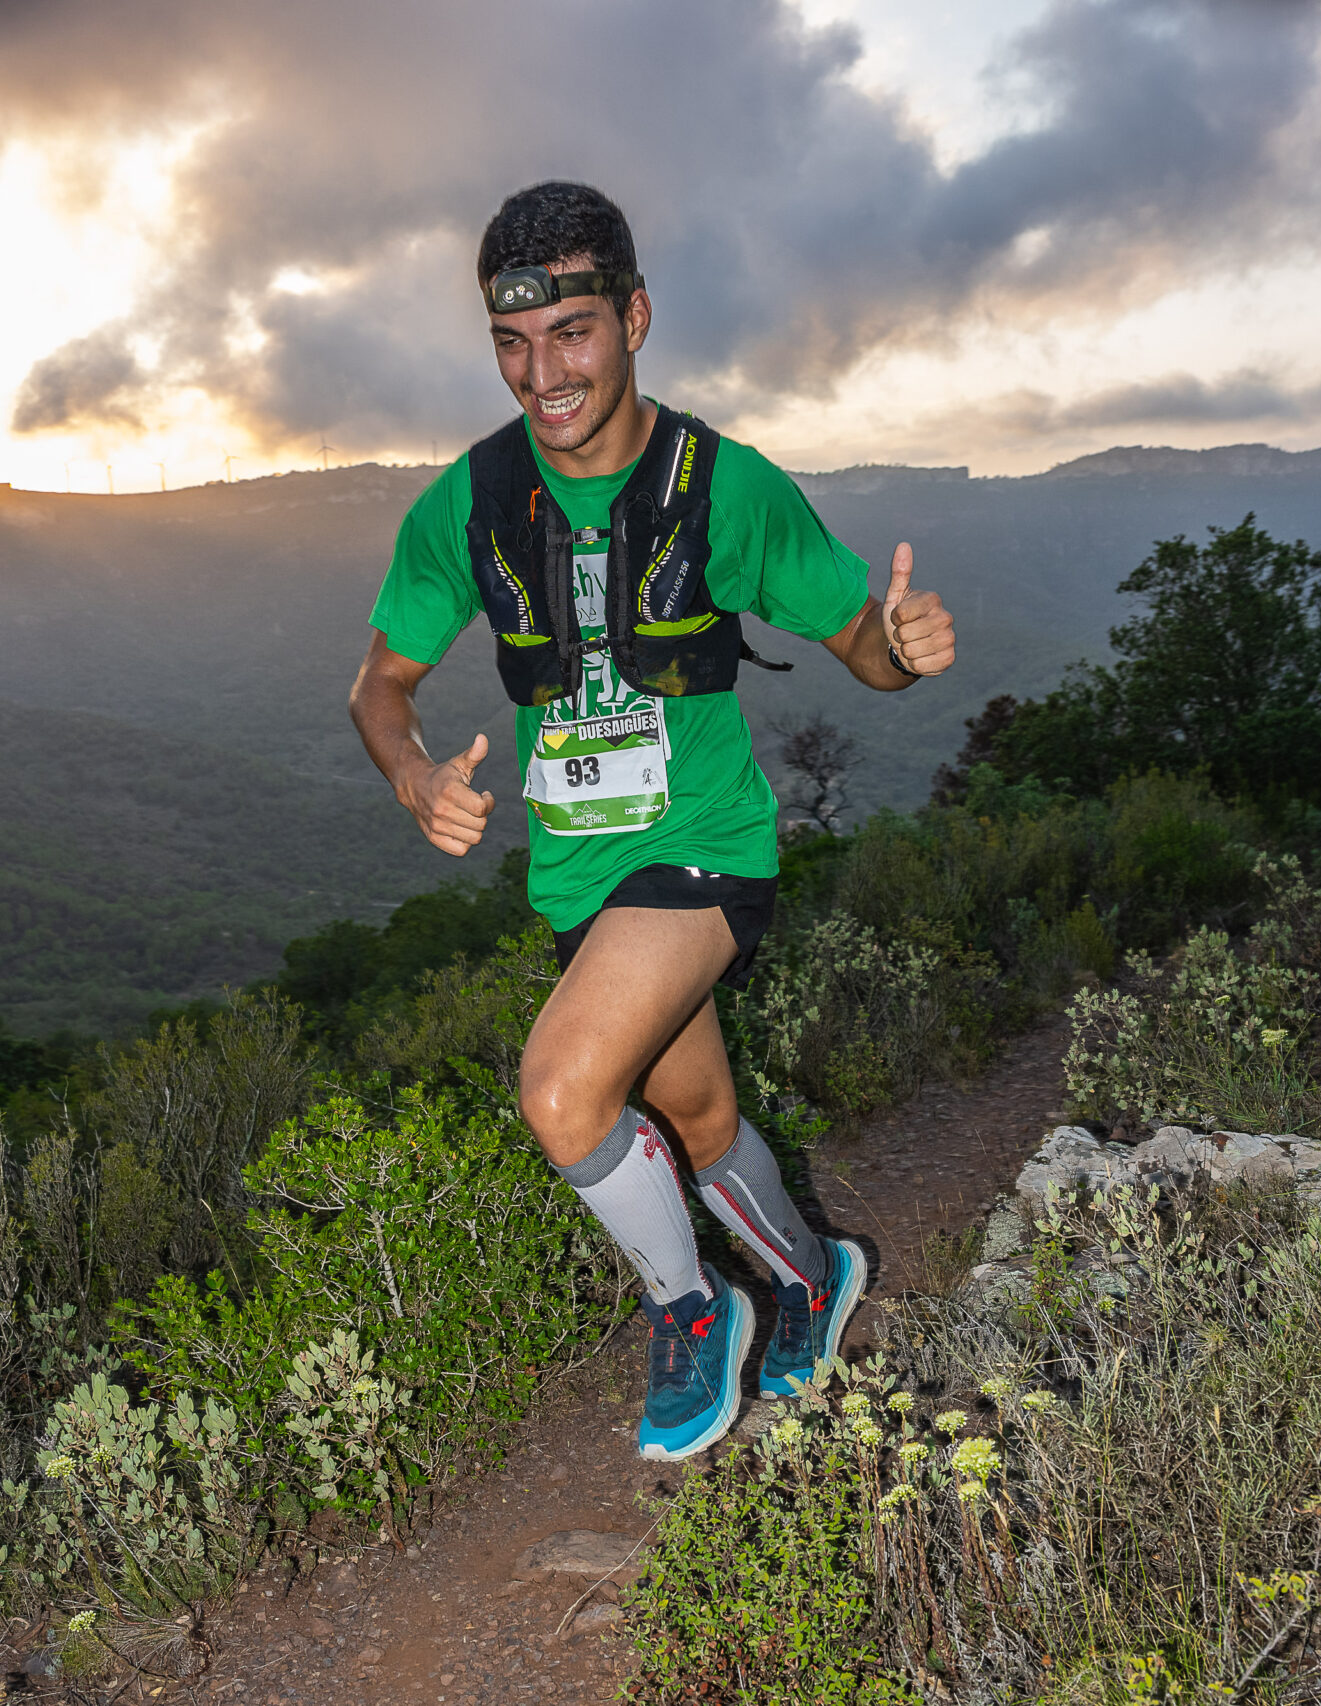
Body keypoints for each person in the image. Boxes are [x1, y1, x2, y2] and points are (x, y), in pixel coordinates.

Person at [348, 181, 958, 1460]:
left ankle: (690, 1310)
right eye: (512, 342)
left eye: (571, 331)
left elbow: (855, 633)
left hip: (704, 848)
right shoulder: (470, 501)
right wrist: (409, 773)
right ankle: (810, 1272)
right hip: (581, 880)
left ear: (632, 317)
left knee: (565, 1091)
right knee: (696, 1120)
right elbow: (380, 684)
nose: (541, 373)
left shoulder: (724, 489)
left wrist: (898, 648)